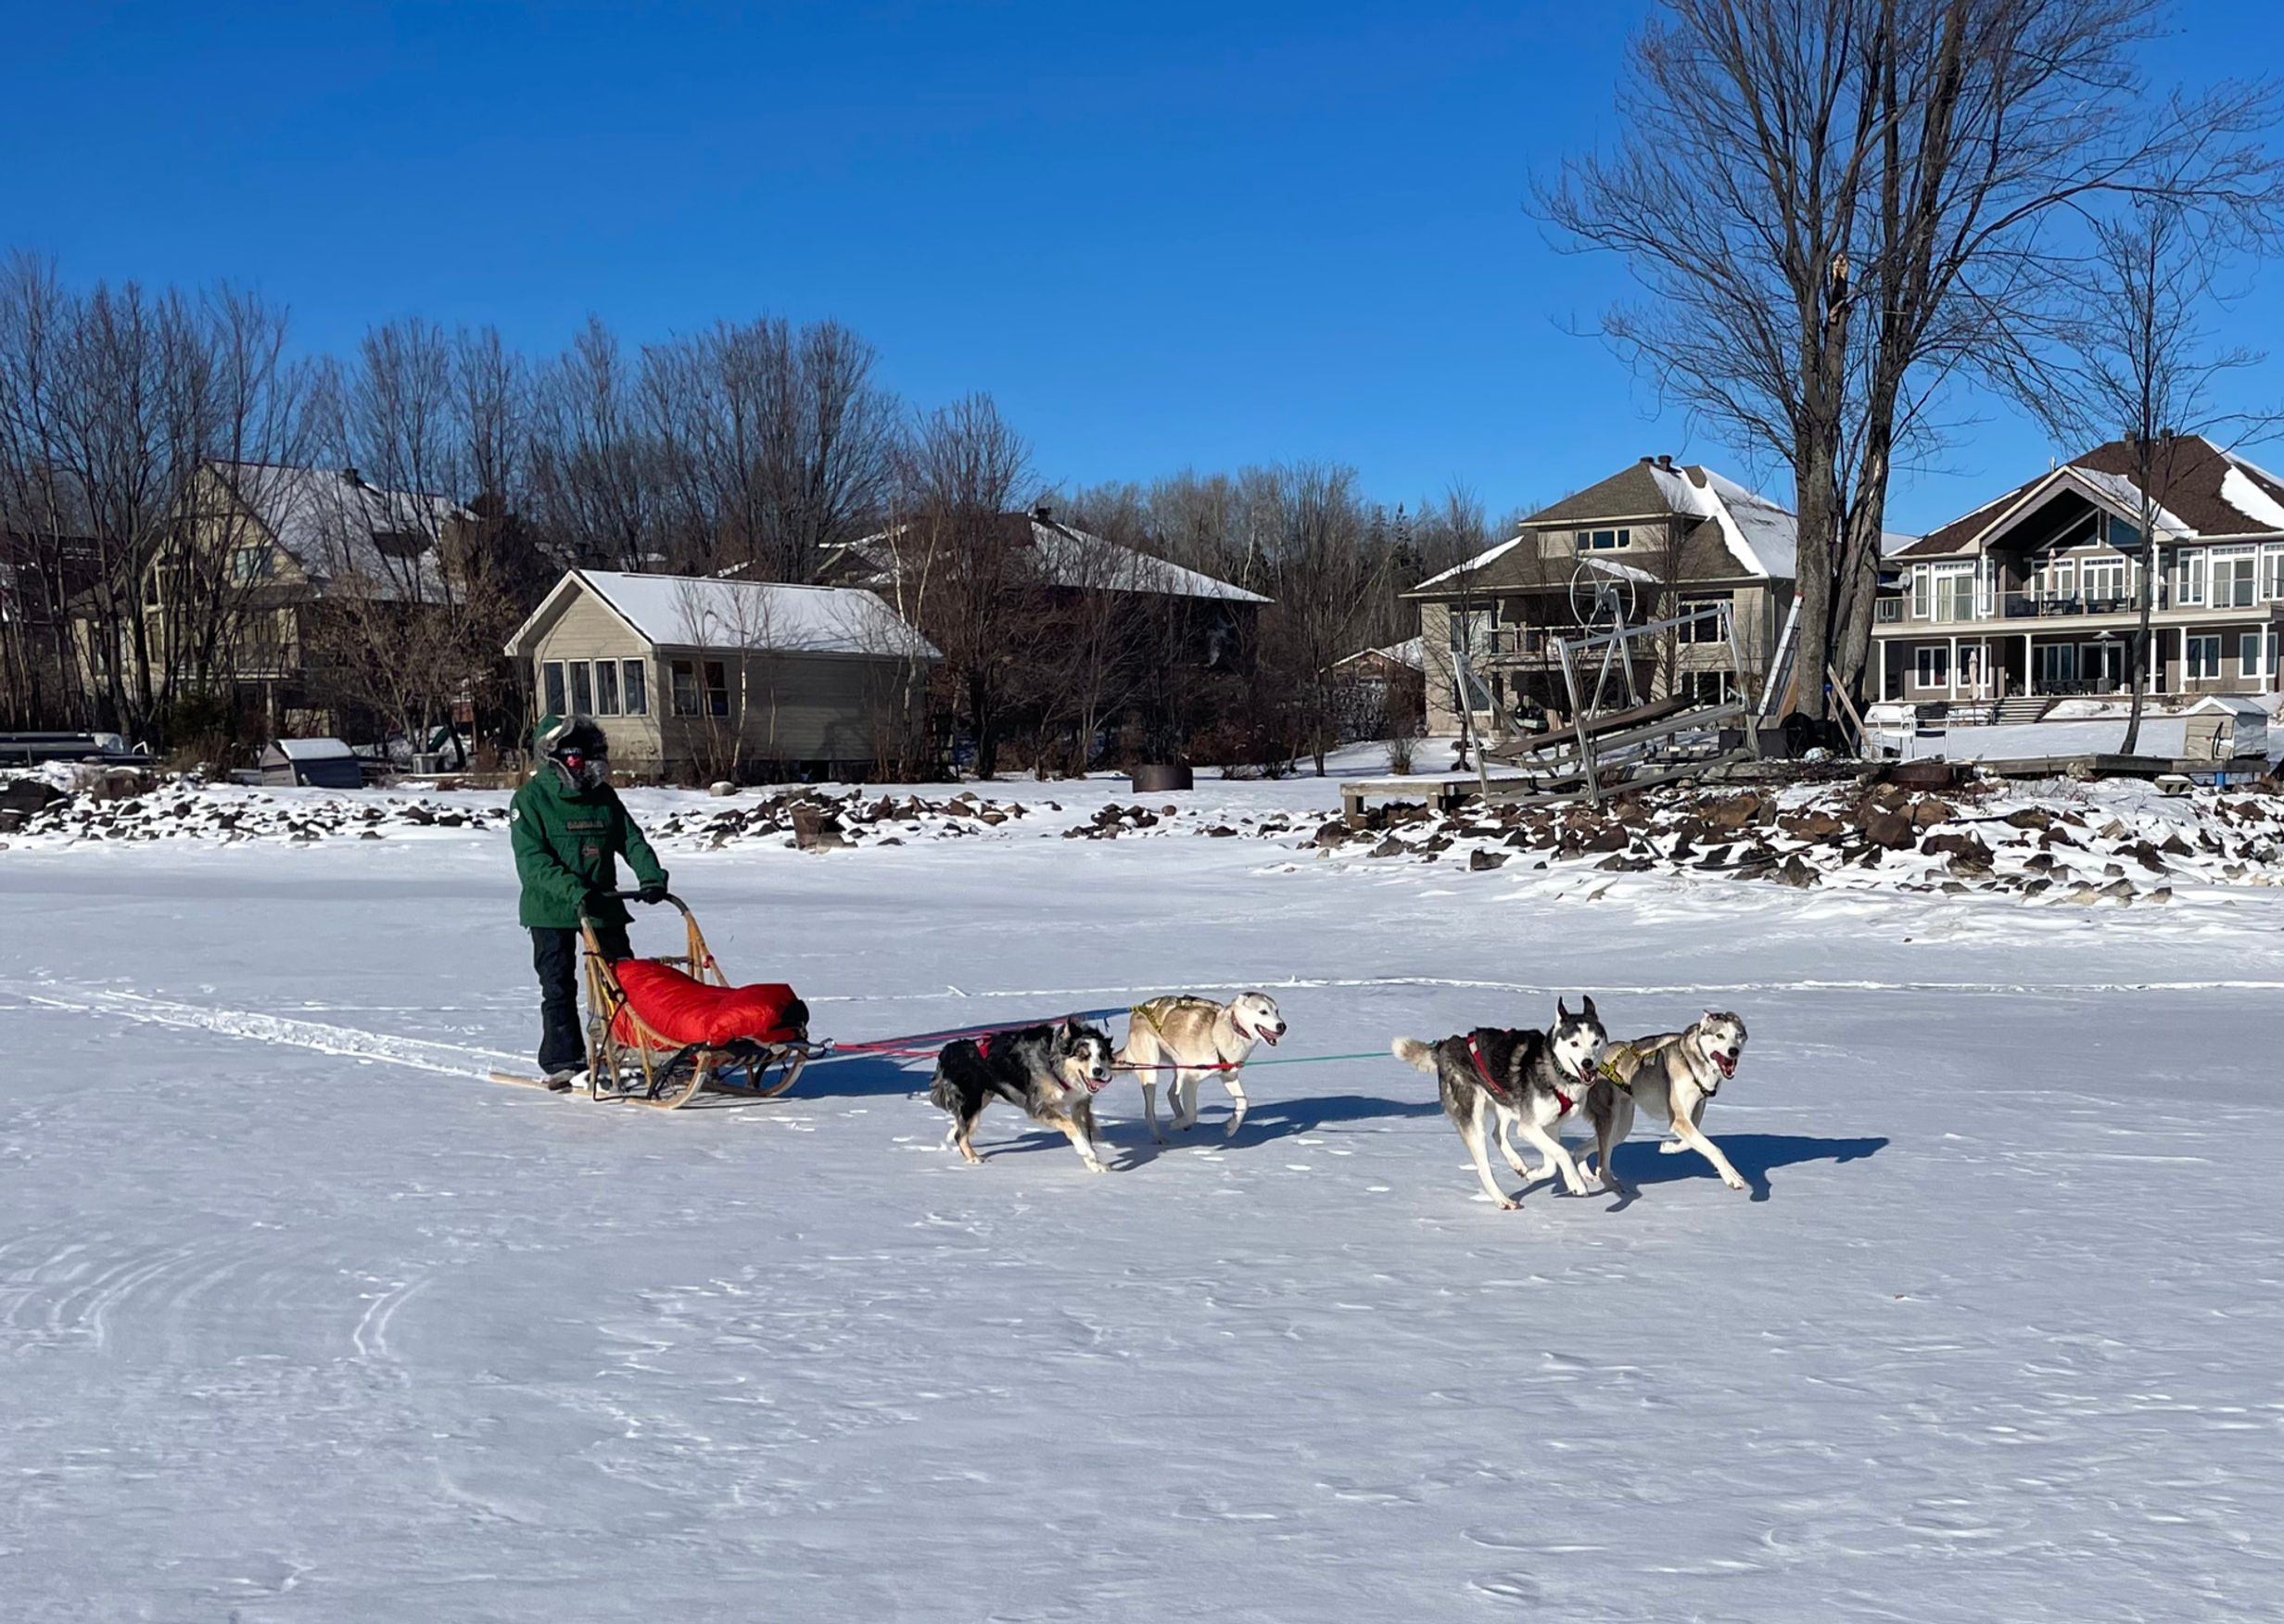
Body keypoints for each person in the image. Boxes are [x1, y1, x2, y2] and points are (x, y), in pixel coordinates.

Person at [511, 714, 669, 1088]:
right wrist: (572, 889)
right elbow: (532, 862)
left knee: (622, 977)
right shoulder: (529, 800)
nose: (575, 762)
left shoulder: (604, 797)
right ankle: (563, 1059)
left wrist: (651, 876)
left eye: (580, 754)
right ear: (551, 756)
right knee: (558, 984)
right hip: (551, 908)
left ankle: (626, 1046)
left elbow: (631, 839)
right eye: (568, 754)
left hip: (601, 901)